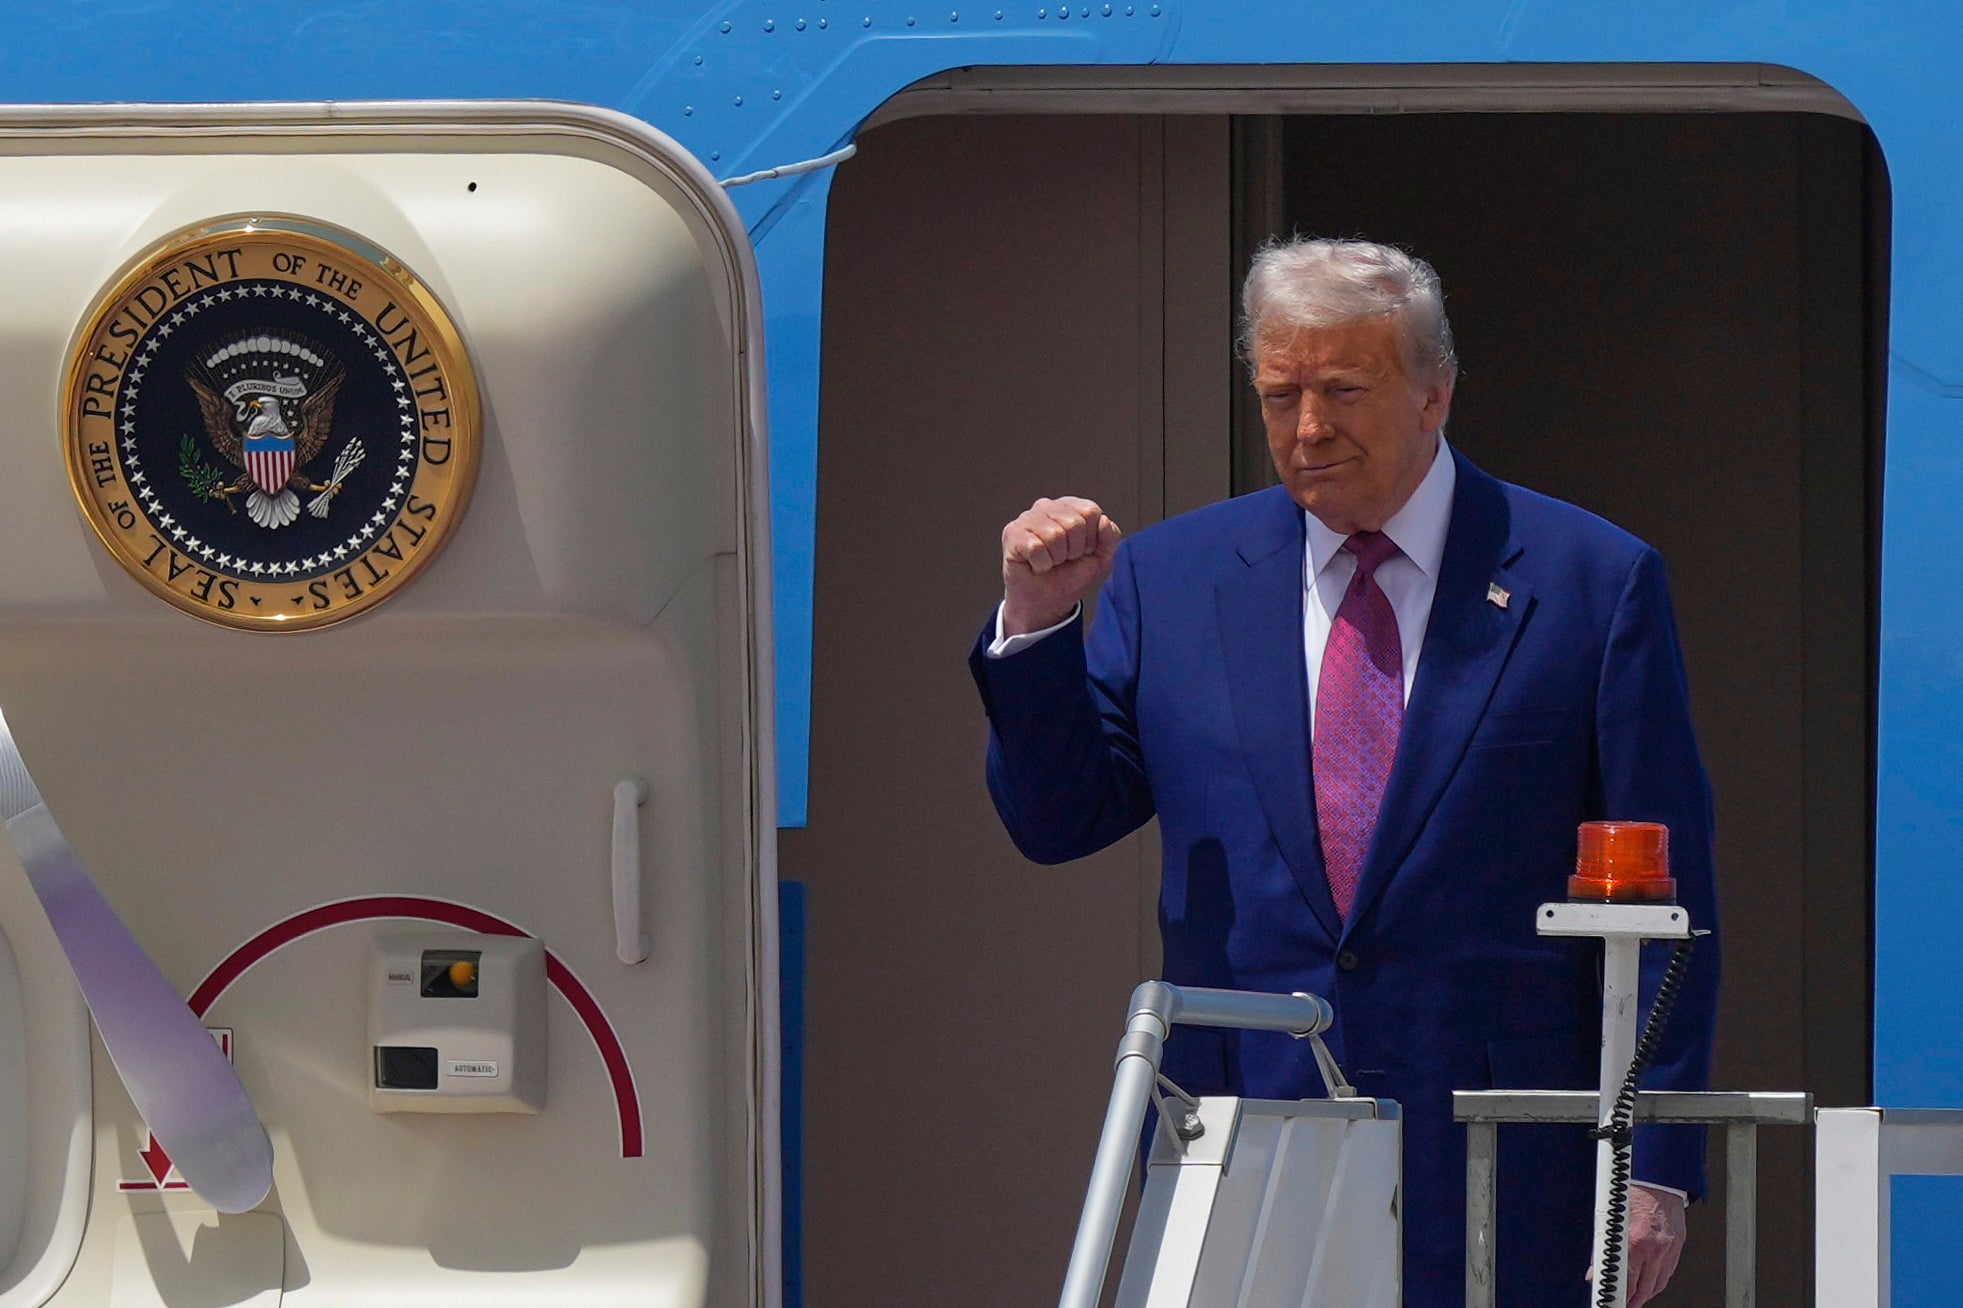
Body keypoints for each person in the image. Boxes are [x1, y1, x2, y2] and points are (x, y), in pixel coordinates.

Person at [968, 237, 1719, 1306]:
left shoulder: (1590, 583)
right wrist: (1036, 627)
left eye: (1342, 390)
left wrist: (1653, 1163)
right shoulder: (1172, 581)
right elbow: (1058, 820)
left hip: (1498, 1159)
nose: (1307, 428)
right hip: (1242, 1144)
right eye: (1279, 395)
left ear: (1434, 394)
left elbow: (1667, 899)